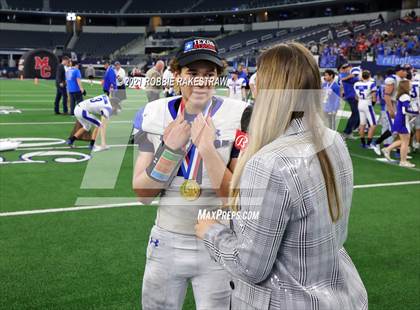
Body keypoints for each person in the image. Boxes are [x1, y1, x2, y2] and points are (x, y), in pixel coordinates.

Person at [195, 42, 368, 310]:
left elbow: (251, 267)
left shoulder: (270, 163)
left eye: (258, 81)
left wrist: (211, 232)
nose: (253, 89)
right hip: (340, 295)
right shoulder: (333, 140)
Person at [132, 37, 248, 310]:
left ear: (218, 76)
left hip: (218, 240)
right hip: (166, 238)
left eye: (209, 74)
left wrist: (207, 149)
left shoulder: (241, 114)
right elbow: (143, 193)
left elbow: (235, 199)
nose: (200, 81)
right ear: (177, 75)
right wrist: (170, 151)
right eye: (192, 73)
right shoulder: (153, 113)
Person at [371, 65, 407, 155]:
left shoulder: (400, 79)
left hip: (398, 105)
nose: (406, 72)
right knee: (394, 129)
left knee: (401, 129)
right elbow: (387, 95)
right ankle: (376, 143)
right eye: (405, 70)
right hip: (393, 106)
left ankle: (399, 150)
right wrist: (391, 110)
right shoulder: (392, 79)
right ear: (399, 71)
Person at [382, 80, 418, 167]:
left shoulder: (402, 95)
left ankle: (387, 149)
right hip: (402, 120)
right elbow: (405, 110)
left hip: (400, 119)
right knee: (405, 141)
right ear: (405, 86)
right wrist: (416, 112)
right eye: (409, 84)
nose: (411, 85)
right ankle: (403, 161)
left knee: (403, 140)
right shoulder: (405, 96)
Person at [354, 70, 377, 148]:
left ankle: (362, 142)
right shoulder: (371, 84)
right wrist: (372, 104)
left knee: (362, 124)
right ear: (369, 76)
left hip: (360, 103)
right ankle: (369, 143)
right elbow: (374, 97)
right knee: (373, 124)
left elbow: (356, 97)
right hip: (367, 103)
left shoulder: (356, 84)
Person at [339, 64, 360, 139]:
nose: (346, 69)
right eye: (344, 68)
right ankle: (346, 132)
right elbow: (356, 78)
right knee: (355, 114)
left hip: (353, 96)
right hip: (352, 96)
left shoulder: (348, 75)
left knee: (356, 114)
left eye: (347, 67)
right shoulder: (343, 75)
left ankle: (349, 131)